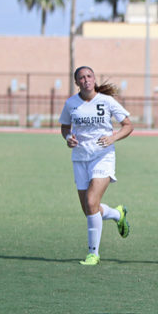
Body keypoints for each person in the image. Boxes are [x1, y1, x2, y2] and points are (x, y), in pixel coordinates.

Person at [59, 65, 133, 266]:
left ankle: (93, 254)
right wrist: (68, 138)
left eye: (89, 76)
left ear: (94, 79)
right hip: (80, 158)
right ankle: (117, 214)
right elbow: (65, 127)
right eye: (81, 77)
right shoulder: (71, 103)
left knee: (92, 201)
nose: (86, 80)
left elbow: (128, 125)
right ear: (77, 83)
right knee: (89, 209)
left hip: (103, 157)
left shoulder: (106, 101)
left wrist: (113, 138)